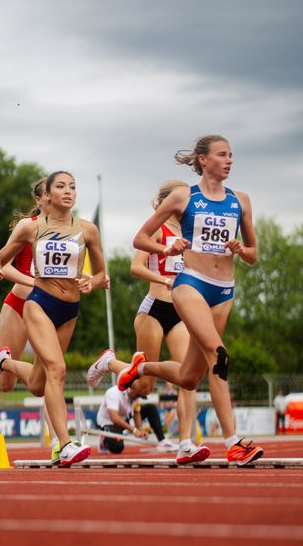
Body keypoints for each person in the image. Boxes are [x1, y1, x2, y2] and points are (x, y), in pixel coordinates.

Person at [117, 135, 264, 466]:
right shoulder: (184, 197)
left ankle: (141, 367)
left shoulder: (241, 200)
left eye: (231, 155)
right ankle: (233, 442)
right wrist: (166, 248)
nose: (229, 160)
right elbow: (140, 238)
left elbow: (254, 254)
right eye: (222, 155)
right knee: (219, 354)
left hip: (223, 290)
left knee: (188, 377)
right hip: (190, 285)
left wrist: (242, 250)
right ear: (202, 159)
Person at [0, 171, 105, 466]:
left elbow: (100, 273)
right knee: (57, 369)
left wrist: (92, 283)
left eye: (73, 186)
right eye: (61, 186)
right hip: (38, 304)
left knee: (38, 383)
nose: (68, 191)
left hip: (70, 309)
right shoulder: (30, 228)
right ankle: (65, 443)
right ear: (46, 195)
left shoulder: (88, 230)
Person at [87, 180, 210, 464]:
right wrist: (165, 279)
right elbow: (135, 267)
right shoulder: (158, 228)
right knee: (143, 387)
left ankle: (185, 444)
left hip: (182, 313)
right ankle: (109, 363)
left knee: (188, 378)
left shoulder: (193, 232)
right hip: (153, 310)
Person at [96, 384, 175, 454]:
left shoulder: (135, 396)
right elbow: (114, 418)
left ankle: (162, 441)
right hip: (108, 422)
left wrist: (140, 429)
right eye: (138, 395)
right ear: (130, 389)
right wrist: (133, 430)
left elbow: (136, 413)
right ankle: (104, 439)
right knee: (117, 448)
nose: (138, 397)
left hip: (124, 418)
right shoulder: (113, 393)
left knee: (151, 408)